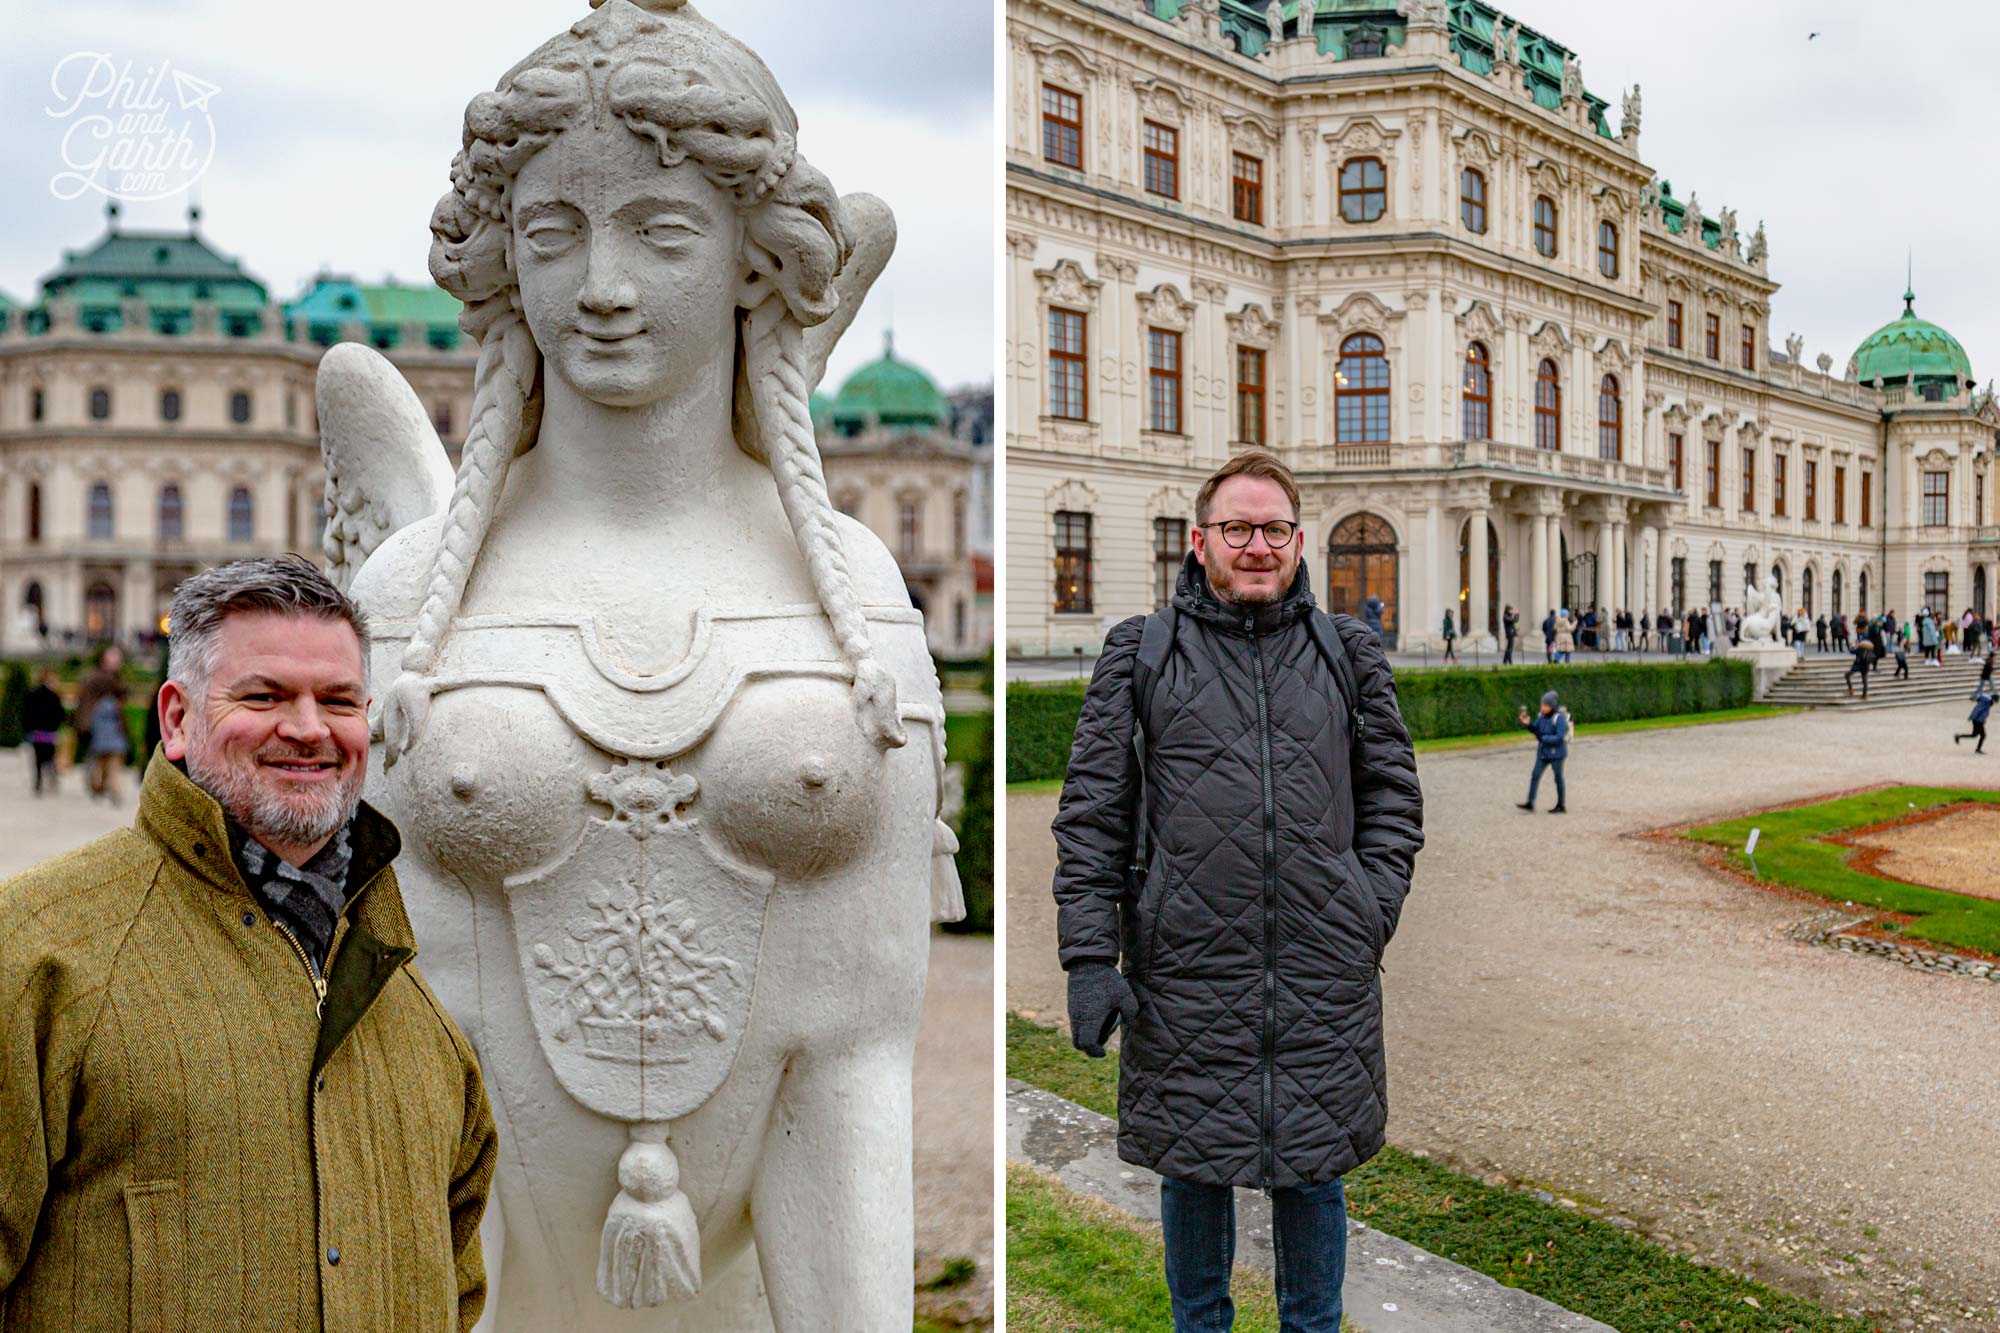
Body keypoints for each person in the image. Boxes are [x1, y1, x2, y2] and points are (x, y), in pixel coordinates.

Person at [0, 557, 496, 1330]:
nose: (306, 728)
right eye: (263, 695)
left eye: (337, 701)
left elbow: (456, 1289)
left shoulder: (412, 1002)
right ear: (175, 720)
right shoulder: (38, 952)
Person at [1052, 450, 1424, 1333]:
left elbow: (1394, 795)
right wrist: (1086, 959)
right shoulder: (1140, 651)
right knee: (1193, 1169)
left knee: (1313, 1172)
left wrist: (1365, 910)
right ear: (1200, 540)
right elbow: (1092, 814)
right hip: (1186, 966)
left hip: (1321, 965)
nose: (1256, 546)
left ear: (1298, 542)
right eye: (1237, 529)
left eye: (1273, 530)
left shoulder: (1349, 653)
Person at [71, 645, 124, 800]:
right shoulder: (106, 680)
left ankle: (101, 786)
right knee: (102, 759)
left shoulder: (92, 677)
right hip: (99, 724)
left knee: (101, 759)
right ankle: (103, 786)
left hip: (97, 724)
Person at [1515, 690, 1569, 813]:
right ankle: (1530, 803)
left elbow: (1559, 737)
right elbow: (1536, 729)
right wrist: (1528, 724)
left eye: (1545, 705)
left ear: (1552, 706)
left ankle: (1561, 805)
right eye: (1542, 705)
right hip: (1544, 753)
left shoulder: (1559, 718)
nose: (1543, 707)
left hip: (1557, 754)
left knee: (1558, 778)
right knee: (1535, 775)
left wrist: (1544, 738)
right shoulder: (1541, 716)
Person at [22, 669, 65, 796]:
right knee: (49, 756)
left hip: (36, 731)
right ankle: (51, 778)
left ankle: (38, 781)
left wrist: (27, 727)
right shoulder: (53, 695)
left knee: (37, 757)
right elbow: (60, 714)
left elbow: (25, 712)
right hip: (49, 731)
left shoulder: (31, 693)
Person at [1955, 655, 1995, 752]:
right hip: (1977, 720)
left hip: (1978, 720)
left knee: (1976, 735)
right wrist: (1973, 717)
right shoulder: (1986, 703)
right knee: (1980, 735)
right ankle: (1976, 748)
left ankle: (1960, 737)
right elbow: (1978, 709)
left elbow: (1982, 712)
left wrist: (1982, 719)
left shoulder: (1987, 702)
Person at [1844, 633, 1873, 698]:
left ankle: (1850, 689)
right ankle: (1864, 694)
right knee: (1864, 681)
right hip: (1865, 666)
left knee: (1847, 675)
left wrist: (1853, 645)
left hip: (1858, 665)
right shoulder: (1869, 650)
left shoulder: (1860, 649)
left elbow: (1851, 651)